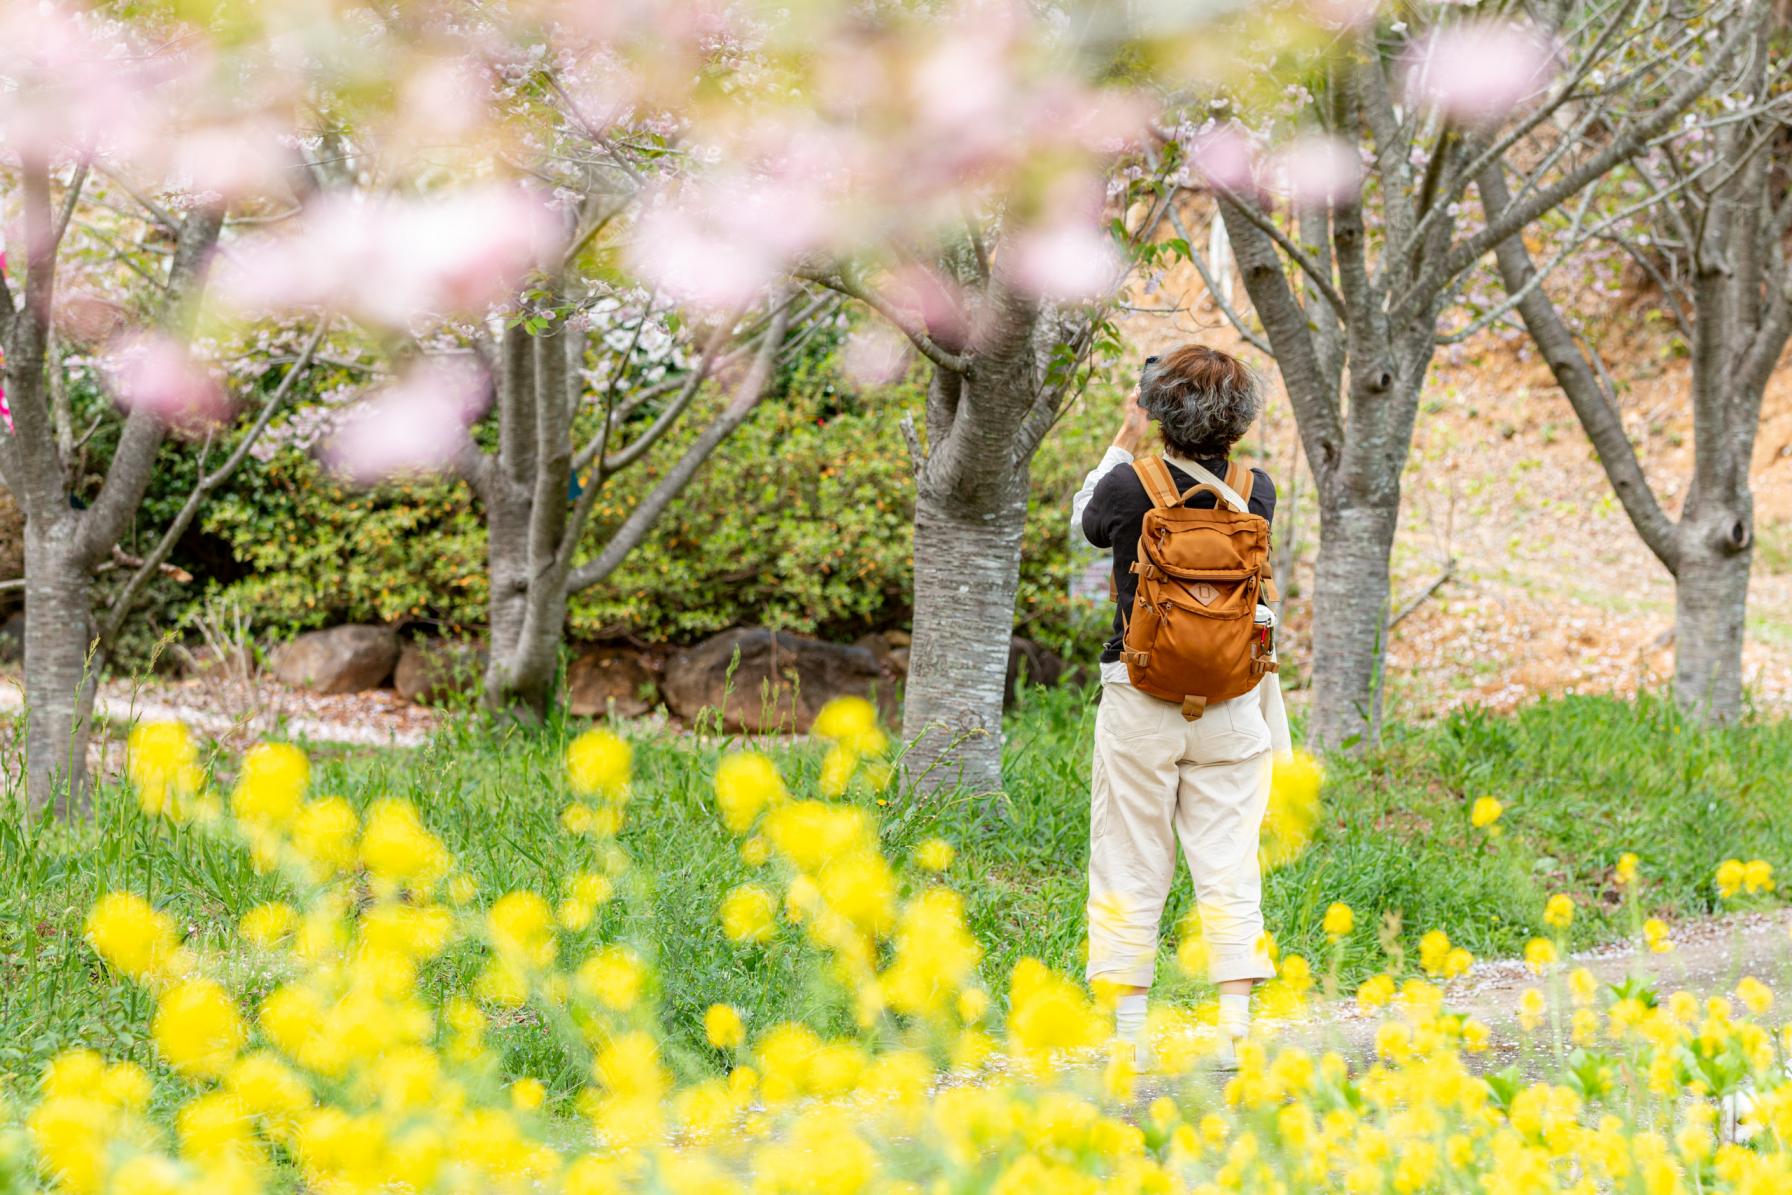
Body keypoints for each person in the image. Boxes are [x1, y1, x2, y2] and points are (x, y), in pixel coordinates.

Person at [1070, 343, 1288, 1069]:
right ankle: (1234, 1035)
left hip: (1141, 696)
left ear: (1158, 409)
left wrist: (1126, 437)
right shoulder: (1258, 491)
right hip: (1232, 700)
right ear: (1240, 418)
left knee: (1130, 852)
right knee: (1229, 858)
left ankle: (1129, 1038)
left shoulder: (1128, 490)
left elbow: (1084, 519)